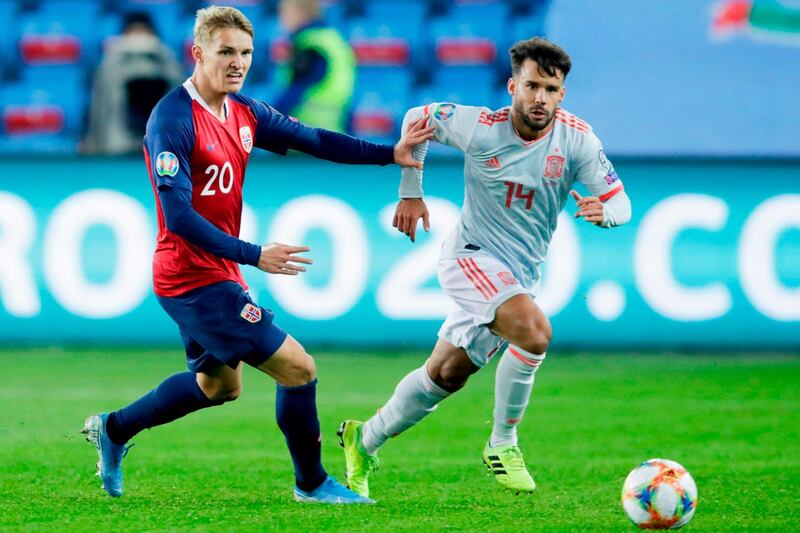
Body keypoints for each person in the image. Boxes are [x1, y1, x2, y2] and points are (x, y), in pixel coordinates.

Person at [81, 5, 433, 504]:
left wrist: (387, 153)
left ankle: (114, 429)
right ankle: (311, 484)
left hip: (213, 269)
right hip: (190, 276)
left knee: (218, 387)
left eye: (246, 52)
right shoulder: (173, 119)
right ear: (197, 53)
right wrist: (254, 254)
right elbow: (178, 216)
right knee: (299, 368)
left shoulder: (242, 111)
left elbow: (312, 138)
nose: (238, 62)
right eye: (226, 52)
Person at [338, 37, 632, 498]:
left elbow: (621, 202)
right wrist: (410, 192)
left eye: (551, 89)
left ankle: (364, 438)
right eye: (531, 86)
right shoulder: (479, 126)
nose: (540, 98)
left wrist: (606, 213)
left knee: (446, 375)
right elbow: (418, 118)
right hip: (470, 256)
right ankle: (503, 443)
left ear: (562, 94)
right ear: (512, 85)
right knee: (534, 333)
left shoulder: (578, 140)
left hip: (518, 275)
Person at [81, 11, 184, 155]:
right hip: (118, 144)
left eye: (144, 31)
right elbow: (99, 108)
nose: (139, 39)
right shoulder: (110, 64)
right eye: (133, 32)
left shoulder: (168, 61)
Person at [272, 0, 355, 132]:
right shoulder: (333, 40)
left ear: (299, 13)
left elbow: (294, 92)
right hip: (333, 137)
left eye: (283, 12)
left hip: (306, 139)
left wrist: (266, 124)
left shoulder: (310, 46)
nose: (280, 19)